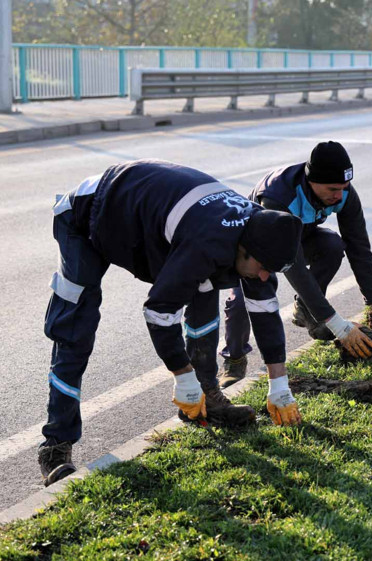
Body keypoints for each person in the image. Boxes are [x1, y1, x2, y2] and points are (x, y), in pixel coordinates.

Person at [39, 160, 304, 487]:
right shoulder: (208, 242)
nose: (265, 276)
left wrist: (279, 385)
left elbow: (265, 311)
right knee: (75, 329)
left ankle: (207, 396)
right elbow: (159, 312)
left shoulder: (264, 235)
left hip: (149, 219)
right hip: (89, 214)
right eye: (263, 268)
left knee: (205, 286)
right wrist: (182, 376)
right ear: (245, 248)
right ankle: (56, 445)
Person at [217, 141, 372, 387]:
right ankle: (234, 360)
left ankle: (306, 309)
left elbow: (359, 248)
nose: (339, 195)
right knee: (243, 300)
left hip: (301, 234)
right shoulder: (278, 197)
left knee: (332, 246)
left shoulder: (343, 193)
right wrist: (336, 323)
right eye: (332, 189)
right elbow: (294, 266)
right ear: (312, 182)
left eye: (344, 187)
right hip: (255, 246)